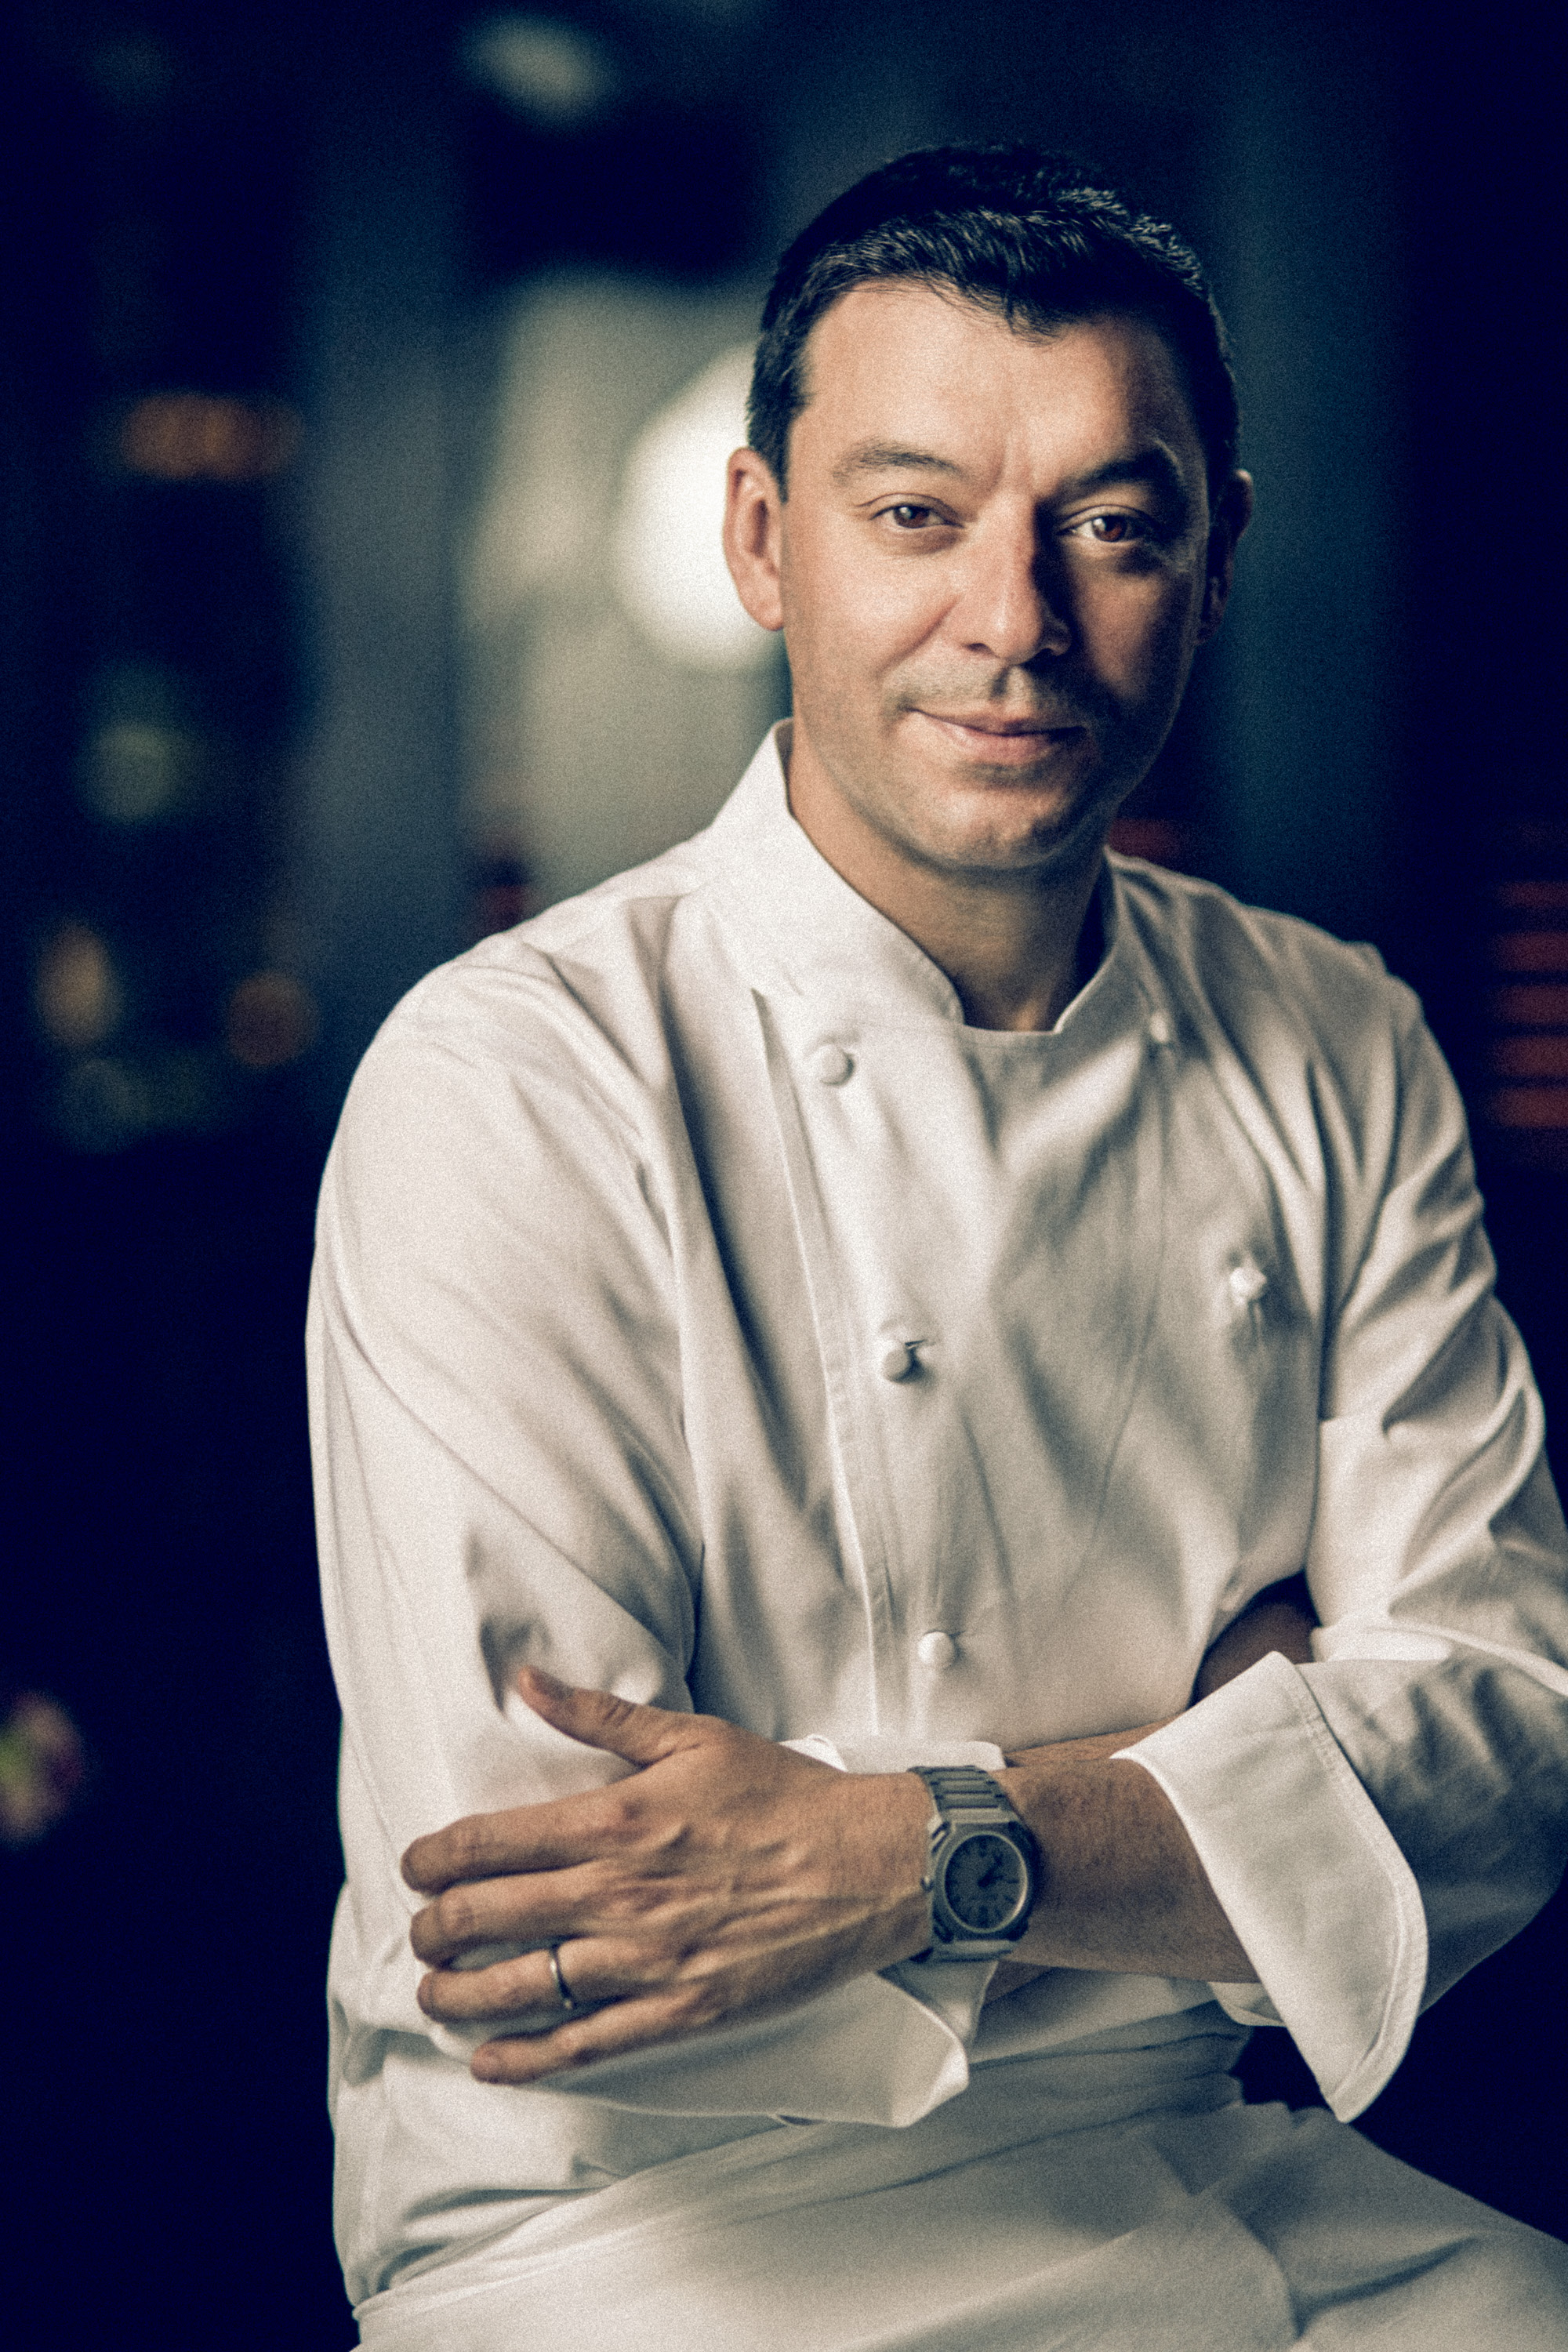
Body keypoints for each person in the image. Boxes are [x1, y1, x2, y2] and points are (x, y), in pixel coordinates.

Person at [309, 145, 1568, 2348]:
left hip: (1214, 2157)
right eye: (915, 516)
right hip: (639, 2235)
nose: (1018, 619)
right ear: (760, 542)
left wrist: (904, 1845)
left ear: (1220, 553)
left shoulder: (1332, 1035)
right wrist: (1235, 1760)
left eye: (1114, 524)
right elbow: (554, 1929)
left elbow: (1508, 1745)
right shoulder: (518, 1079)